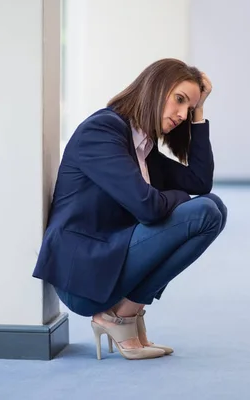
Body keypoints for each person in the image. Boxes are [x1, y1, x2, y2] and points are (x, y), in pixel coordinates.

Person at [32, 58, 227, 360]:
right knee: (206, 212)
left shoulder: (143, 147)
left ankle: (124, 315)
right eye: (179, 100)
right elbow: (148, 208)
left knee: (213, 208)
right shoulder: (103, 131)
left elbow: (201, 182)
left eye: (189, 109)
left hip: (111, 257)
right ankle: (120, 318)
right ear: (156, 87)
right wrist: (179, 199)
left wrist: (201, 112)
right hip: (83, 272)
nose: (181, 115)